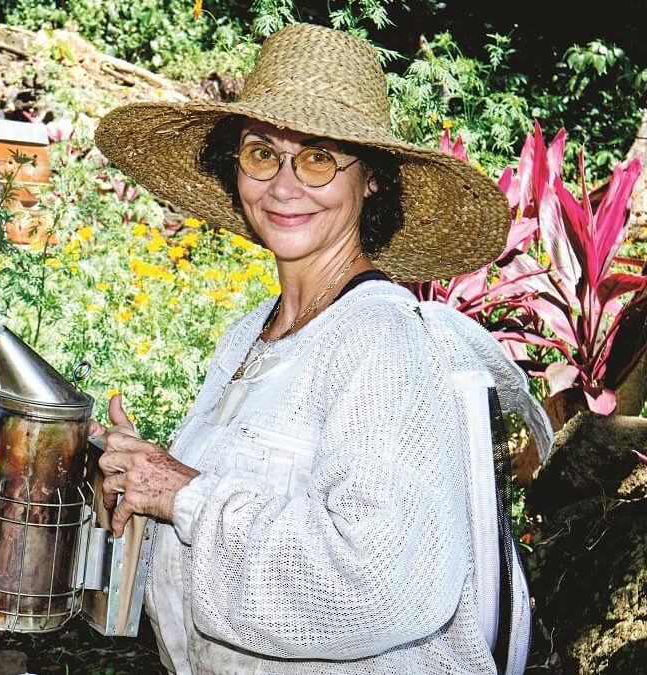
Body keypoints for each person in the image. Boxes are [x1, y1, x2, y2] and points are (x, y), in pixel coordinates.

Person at [88, 22, 554, 675]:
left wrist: (183, 493)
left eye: (317, 158)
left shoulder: (381, 340)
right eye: (260, 153)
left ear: (369, 180)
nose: (283, 185)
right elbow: (222, 520)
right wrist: (139, 485)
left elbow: (380, 578)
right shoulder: (250, 333)